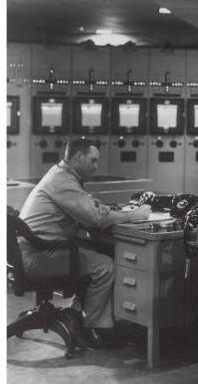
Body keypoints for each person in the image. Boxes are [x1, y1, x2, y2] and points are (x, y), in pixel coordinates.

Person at [19, 139, 151, 348]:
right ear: (78, 157)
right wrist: (137, 214)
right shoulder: (62, 181)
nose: (96, 166)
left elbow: (87, 211)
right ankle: (93, 328)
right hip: (40, 257)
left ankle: (76, 313)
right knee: (105, 266)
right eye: (93, 160)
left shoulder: (60, 176)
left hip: (34, 251)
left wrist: (96, 209)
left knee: (94, 253)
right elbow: (96, 219)